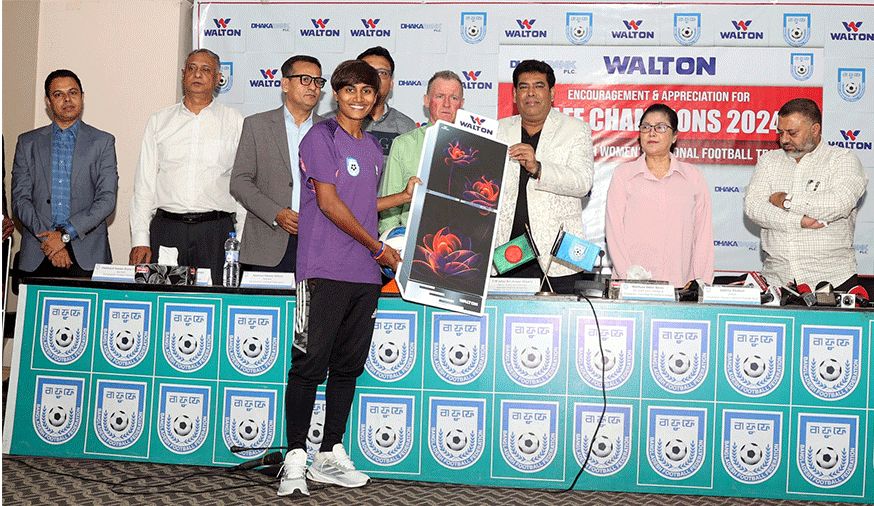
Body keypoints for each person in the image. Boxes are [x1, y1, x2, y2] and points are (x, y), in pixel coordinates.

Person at [278, 60, 420, 497]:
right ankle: (295, 457)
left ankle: (330, 453)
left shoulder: (373, 148)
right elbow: (329, 203)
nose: (358, 98)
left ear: (377, 98)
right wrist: (378, 248)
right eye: (350, 90)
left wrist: (402, 197)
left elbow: (360, 206)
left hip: (363, 276)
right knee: (309, 364)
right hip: (322, 270)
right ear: (335, 94)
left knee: (346, 367)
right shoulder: (321, 137)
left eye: (367, 91)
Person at [128, 49, 244, 285]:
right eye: (192, 68)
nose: (197, 74)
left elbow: (242, 185)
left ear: (218, 78)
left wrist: (240, 240)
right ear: (183, 75)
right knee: (164, 300)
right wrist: (140, 239)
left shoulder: (235, 122)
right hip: (168, 230)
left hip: (216, 232)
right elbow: (144, 185)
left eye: (205, 70)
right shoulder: (159, 121)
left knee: (214, 300)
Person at [493, 60, 594, 294]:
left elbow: (582, 182)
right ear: (514, 95)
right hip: (506, 253)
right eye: (523, 87)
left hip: (556, 257)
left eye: (538, 86)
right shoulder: (497, 130)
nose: (531, 93)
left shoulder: (575, 130)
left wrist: (539, 168)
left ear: (552, 93)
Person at [744, 98, 867, 290]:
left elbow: (838, 203)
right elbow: (754, 207)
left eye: (792, 133)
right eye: (780, 133)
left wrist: (785, 201)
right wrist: (799, 221)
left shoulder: (842, 159)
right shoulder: (768, 161)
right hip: (777, 280)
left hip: (833, 280)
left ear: (815, 129)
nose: (784, 140)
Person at [11, 69, 118, 277]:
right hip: (39, 251)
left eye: (73, 92)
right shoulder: (27, 142)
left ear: (82, 96)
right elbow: (20, 200)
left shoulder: (103, 142)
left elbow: (107, 199)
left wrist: (64, 235)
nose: (67, 99)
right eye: (58, 94)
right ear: (48, 102)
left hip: (88, 254)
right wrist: (49, 240)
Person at [230, 55, 324, 273]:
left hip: (318, 244)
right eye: (305, 79)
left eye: (318, 81)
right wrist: (276, 213)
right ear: (285, 84)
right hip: (268, 242)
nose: (313, 87)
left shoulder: (330, 130)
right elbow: (239, 182)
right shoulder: (256, 125)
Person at [605, 103, 714, 286]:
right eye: (646, 127)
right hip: (632, 285)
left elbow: (703, 235)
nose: (652, 133)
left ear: (675, 136)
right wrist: (628, 277)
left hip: (680, 284)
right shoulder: (624, 175)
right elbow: (614, 232)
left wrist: (701, 284)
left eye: (661, 127)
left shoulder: (693, 176)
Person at [378, 70, 465, 233]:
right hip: (411, 239)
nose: (446, 104)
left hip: (461, 239)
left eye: (453, 98)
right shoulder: (404, 144)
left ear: (461, 103)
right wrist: (391, 242)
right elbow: (389, 212)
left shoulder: (474, 148)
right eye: (440, 96)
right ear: (427, 100)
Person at [323, 46, 416, 160]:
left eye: (382, 73)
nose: (375, 78)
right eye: (367, 71)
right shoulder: (325, 125)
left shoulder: (406, 127)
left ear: (391, 83)